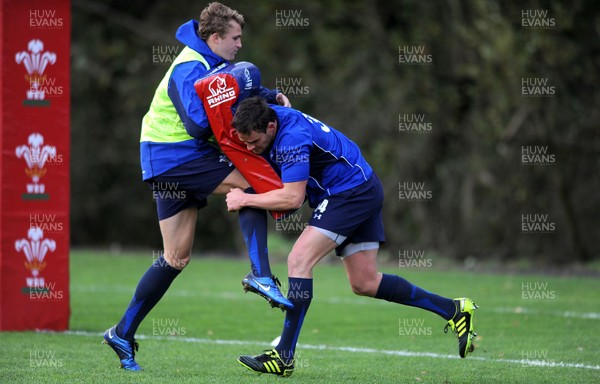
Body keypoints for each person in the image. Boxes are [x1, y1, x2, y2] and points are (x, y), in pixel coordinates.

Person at [226, 96, 478, 377]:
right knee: (365, 282)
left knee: (298, 260)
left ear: (271, 126)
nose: (249, 147)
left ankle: (283, 356)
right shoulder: (273, 115)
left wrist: (244, 200)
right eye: (244, 142)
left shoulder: (291, 138)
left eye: (253, 141)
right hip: (363, 185)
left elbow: (292, 197)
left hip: (349, 193)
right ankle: (454, 310)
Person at [103, 3, 292, 371]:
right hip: (176, 154)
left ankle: (121, 333)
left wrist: (270, 96)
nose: (240, 45)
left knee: (176, 256)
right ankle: (261, 273)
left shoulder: (214, 64)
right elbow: (195, 123)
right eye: (235, 38)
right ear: (215, 38)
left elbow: (233, 88)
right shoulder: (191, 66)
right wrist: (232, 125)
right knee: (254, 185)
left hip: (164, 160)